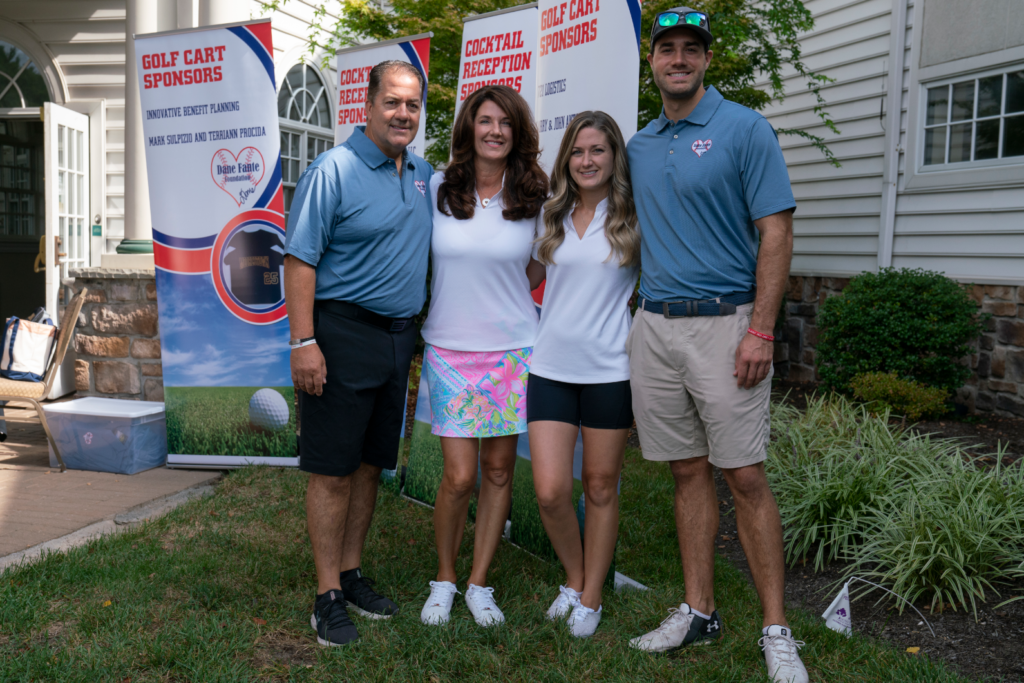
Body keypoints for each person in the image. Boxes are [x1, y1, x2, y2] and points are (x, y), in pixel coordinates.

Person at [624, 8, 808, 683]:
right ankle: (698, 608)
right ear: (653, 62)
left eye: (689, 49)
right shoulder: (640, 145)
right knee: (685, 471)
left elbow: (776, 232)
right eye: (666, 49)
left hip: (727, 325)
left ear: (707, 58)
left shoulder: (744, 128)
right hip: (657, 324)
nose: (677, 59)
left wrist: (761, 328)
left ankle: (777, 628)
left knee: (746, 475)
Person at [283, 60, 433, 647]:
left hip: (399, 340)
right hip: (341, 336)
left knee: (372, 464)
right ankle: (325, 598)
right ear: (366, 106)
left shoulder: (421, 174)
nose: (403, 114)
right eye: (393, 102)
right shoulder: (334, 169)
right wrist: (304, 341)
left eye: (413, 105)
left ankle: (349, 573)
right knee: (333, 470)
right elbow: (300, 260)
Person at [418, 85, 548, 627]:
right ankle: (444, 578)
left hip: (513, 351)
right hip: (448, 348)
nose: (494, 131)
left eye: (505, 123)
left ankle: (478, 583)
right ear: (469, 128)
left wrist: (503, 300)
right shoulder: (437, 189)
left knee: (498, 471)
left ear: (518, 133)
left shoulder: (535, 198)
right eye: (485, 120)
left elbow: (539, 268)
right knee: (459, 476)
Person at [525, 111, 639, 638]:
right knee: (549, 490)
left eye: (597, 150)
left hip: (609, 370)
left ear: (614, 157)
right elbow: (522, 278)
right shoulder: (550, 214)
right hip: (549, 366)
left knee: (599, 486)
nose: (587, 160)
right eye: (577, 151)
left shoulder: (633, 217)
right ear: (566, 159)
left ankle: (592, 595)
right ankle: (574, 578)